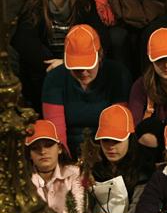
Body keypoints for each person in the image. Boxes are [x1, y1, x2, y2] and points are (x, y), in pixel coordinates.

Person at [12, 0, 104, 110]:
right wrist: (54, 65)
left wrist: (67, 63)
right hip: (46, 67)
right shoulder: (33, 5)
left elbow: (101, 39)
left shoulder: (86, 3)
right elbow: (24, 41)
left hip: (82, 64)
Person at [41, 24, 131, 155]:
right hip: (69, 154)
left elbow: (118, 127)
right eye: (76, 68)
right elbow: (56, 133)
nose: (83, 72)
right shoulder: (55, 78)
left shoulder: (117, 74)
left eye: (88, 65)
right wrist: (66, 161)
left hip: (108, 152)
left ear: (100, 56)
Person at [83, 103, 151, 213]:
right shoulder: (92, 166)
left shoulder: (143, 167)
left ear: (130, 138)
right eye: (105, 140)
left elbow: (141, 204)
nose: (110, 147)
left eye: (117, 140)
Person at [26, 119, 86, 213]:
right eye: (35, 148)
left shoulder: (75, 174)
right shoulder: (23, 181)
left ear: (59, 149)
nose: (43, 151)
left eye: (48, 145)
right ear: (29, 154)